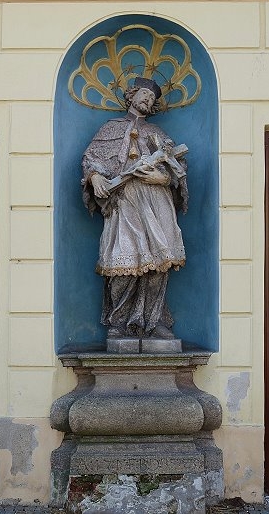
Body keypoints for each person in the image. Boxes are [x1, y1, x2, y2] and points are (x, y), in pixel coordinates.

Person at [81, 77, 188, 341]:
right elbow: (90, 159)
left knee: (159, 264)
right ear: (131, 96)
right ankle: (119, 323)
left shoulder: (159, 135)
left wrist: (163, 179)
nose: (147, 100)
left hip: (157, 200)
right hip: (125, 200)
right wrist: (95, 178)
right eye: (144, 95)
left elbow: (178, 170)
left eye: (152, 99)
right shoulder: (110, 129)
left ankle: (154, 321)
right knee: (123, 260)